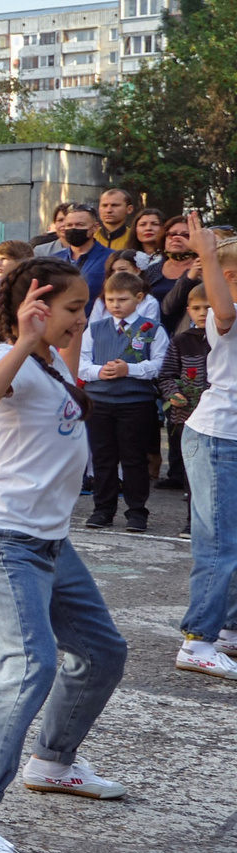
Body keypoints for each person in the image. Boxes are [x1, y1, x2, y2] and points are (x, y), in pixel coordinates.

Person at [0, 258, 131, 853]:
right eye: (75, 309)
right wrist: (23, 337)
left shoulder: (50, 364)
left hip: (51, 542)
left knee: (103, 650)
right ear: (41, 308)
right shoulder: (12, 359)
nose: (84, 318)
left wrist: (52, 343)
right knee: (29, 662)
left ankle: (52, 761)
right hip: (2, 539)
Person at [171, 216, 237, 678]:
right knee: (218, 545)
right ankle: (198, 641)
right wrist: (209, 256)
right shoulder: (223, 312)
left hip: (227, 439)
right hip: (216, 438)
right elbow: (225, 309)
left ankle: (227, 630)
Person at [79, 265, 165, 532]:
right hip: (100, 402)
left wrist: (131, 370)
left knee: (134, 458)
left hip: (135, 403)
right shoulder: (95, 328)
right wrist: (98, 372)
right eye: (110, 299)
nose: (115, 305)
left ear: (138, 298)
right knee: (103, 458)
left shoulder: (153, 329)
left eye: (122, 299)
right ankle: (102, 510)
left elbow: (160, 363)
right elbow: (81, 362)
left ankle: (137, 511)